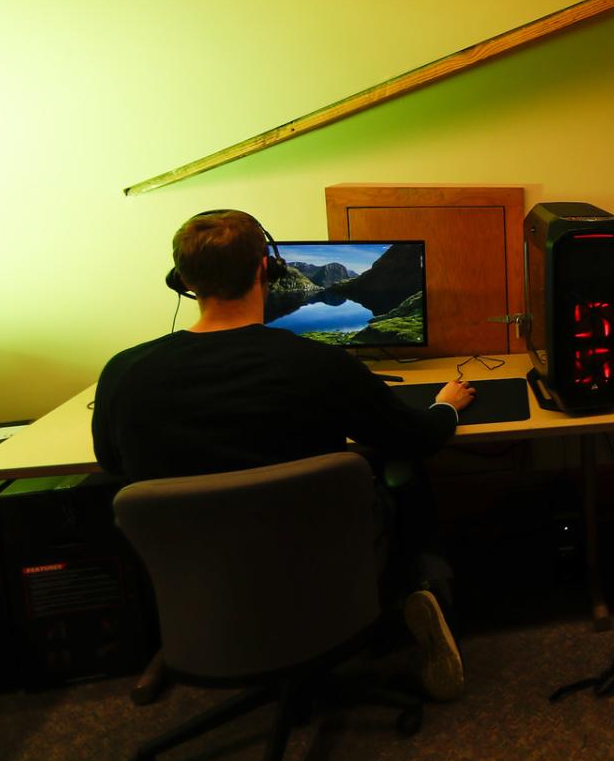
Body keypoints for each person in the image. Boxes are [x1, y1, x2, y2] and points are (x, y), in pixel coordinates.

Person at [93, 210, 477, 700]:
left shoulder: (123, 373)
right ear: (265, 271)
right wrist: (444, 405)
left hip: (200, 578)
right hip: (319, 563)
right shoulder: (319, 365)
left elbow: (112, 465)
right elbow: (416, 437)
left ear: (183, 281)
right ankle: (425, 595)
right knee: (403, 469)